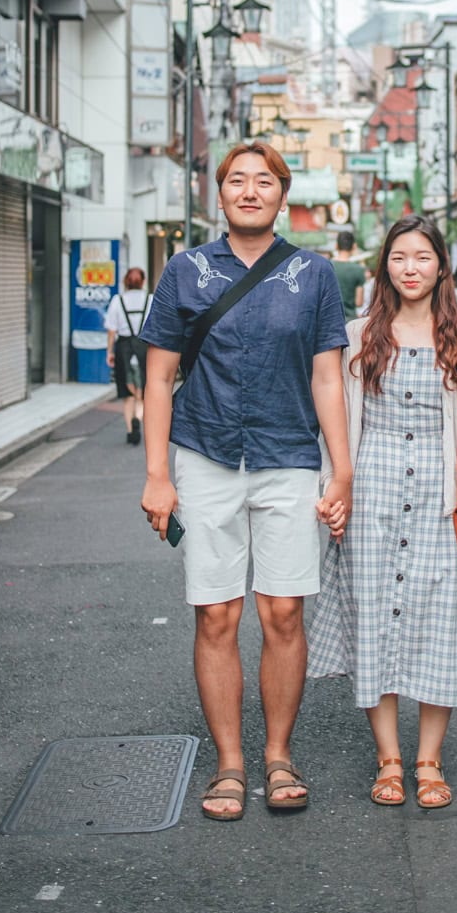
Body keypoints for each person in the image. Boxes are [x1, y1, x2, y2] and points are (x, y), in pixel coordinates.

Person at [139, 142, 353, 821]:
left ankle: (279, 754)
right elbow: (158, 378)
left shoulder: (314, 274)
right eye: (238, 180)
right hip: (205, 457)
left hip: (288, 456)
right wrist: (156, 476)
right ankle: (229, 763)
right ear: (221, 193)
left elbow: (327, 377)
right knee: (216, 613)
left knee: (283, 612)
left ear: (283, 196)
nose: (250, 190)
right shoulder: (186, 270)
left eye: (265, 181)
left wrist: (342, 469)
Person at [308, 214, 457, 811]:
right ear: (384, 265)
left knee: (442, 623)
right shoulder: (358, 335)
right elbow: (337, 426)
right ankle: (389, 757)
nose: (410, 268)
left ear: (441, 265)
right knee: (374, 622)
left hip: (443, 500)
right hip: (373, 498)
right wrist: (335, 489)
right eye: (398, 257)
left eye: (422, 257)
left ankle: (428, 760)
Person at [105, 267, 152, 445]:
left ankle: (130, 431)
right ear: (143, 282)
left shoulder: (118, 300)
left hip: (123, 348)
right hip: (143, 348)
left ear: (125, 282)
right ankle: (138, 418)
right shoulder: (150, 299)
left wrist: (109, 351)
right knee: (142, 392)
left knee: (127, 394)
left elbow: (111, 330)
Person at [331, 229, 367, 319]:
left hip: (330, 319)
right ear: (354, 246)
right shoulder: (358, 270)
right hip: (350, 320)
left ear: (336, 246)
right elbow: (359, 302)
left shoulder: (327, 266)